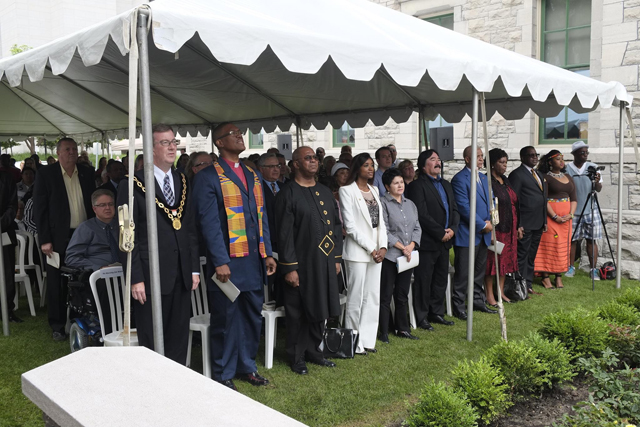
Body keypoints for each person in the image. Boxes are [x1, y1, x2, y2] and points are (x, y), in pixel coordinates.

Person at [193, 122, 276, 391]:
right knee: (226, 319)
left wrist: (268, 253)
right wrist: (219, 260)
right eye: (233, 134)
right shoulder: (208, 176)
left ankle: (247, 366)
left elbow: (261, 218)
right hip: (227, 261)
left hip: (253, 259)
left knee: (252, 315)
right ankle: (223, 371)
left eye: (240, 133)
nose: (240, 136)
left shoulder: (252, 174)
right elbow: (209, 224)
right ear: (219, 143)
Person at [117, 123, 200, 364]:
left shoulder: (182, 180)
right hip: (150, 275)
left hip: (182, 272)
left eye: (174, 142)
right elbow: (126, 235)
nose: (172, 147)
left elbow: (190, 229)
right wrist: (135, 277)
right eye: (165, 143)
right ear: (151, 149)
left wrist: (193, 267)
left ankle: (175, 385)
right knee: (152, 338)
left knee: (178, 335)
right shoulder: (131, 184)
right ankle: (154, 388)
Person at [275, 146, 343, 374]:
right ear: (295, 164)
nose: (314, 161)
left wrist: (335, 258)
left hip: (323, 261)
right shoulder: (287, 194)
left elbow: (335, 225)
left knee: (320, 307)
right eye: (308, 158)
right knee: (298, 311)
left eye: (315, 157)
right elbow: (283, 235)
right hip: (300, 263)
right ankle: (296, 356)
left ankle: (315, 351)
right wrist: (289, 267)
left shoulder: (324, 191)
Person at [33, 137, 95, 341]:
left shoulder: (86, 173)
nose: (72, 152)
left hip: (84, 235)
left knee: (83, 278)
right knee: (56, 281)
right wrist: (44, 240)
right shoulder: (46, 174)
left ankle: (82, 319)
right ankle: (57, 325)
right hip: (58, 237)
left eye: (75, 149)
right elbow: (40, 210)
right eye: (67, 149)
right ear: (58, 152)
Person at [339, 153, 387, 355]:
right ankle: (353, 341)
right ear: (357, 168)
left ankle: (367, 339)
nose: (370, 168)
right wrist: (372, 248)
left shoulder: (375, 190)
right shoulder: (346, 191)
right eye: (366, 165)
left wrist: (383, 247)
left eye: (372, 165)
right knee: (356, 298)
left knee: (372, 296)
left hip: (377, 252)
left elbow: (381, 223)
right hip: (358, 252)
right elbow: (350, 226)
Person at [406, 149, 459, 329]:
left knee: (440, 279)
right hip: (428, 242)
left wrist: (452, 229)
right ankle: (421, 317)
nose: (438, 162)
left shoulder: (446, 184)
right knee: (424, 280)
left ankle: (436, 312)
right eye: (433, 159)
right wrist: (440, 232)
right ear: (423, 165)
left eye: (439, 159)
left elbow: (455, 210)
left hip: (445, 241)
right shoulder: (416, 186)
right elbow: (421, 214)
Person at [451, 146, 496, 319]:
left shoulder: (484, 178)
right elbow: (464, 206)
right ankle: (459, 305)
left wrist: (491, 222)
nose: (480, 159)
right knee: (463, 273)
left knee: (479, 271)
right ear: (467, 159)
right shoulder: (459, 179)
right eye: (477, 156)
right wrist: (481, 225)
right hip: (468, 234)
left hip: (484, 233)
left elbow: (492, 201)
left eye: (481, 156)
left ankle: (477, 300)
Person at [379, 168, 421, 342]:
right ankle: (383, 331)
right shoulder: (383, 203)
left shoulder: (410, 204)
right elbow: (384, 230)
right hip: (390, 255)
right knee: (385, 295)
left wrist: (411, 246)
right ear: (387, 186)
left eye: (402, 182)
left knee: (402, 293)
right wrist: (401, 247)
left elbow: (417, 227)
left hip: (407, 257)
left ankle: (402, 328)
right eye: (396, 183)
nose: (400, 185)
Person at [484, 149, 522, 306]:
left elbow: (515, 202)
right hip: (497, 228)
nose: (505, 165)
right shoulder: (487, 182)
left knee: (505, 262)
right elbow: (489, 205)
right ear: (492, 164)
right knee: (493, 262)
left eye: (506, 162)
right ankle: (489, 294)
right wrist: (491, 227)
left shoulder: (505, 180)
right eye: (501, 162)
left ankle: (500, 292)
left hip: (510, 228)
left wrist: (518, 226)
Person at [534, 150, 577, 289]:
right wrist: (554, 216)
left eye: (562, 159)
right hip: (551, 218)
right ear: (550, 162)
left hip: (566, 220)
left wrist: (570, 214)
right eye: (558, 159)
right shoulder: (545, 177)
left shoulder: (568, 177)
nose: (561, 161)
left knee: (562, 247)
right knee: (549, 246)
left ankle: (558, 276)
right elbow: (544, 199)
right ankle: (545, 277)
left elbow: (574, 198)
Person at [508, 146, 547, 295]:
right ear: (522, 157)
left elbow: (543, 198)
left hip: (538, 222)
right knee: (522, 255)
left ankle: (528, 285)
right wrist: (518, 224)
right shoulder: (517, 175)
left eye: (536, 155)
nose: (534, 157)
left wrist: (544, 221)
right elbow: (514, 201)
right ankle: (519, 286)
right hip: (525, 223)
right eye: (531, 155)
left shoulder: (538, 174)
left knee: (531, 255)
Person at [566, 141, 603, 280]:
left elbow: (598, 189)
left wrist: (597, 181)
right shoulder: (566, 168)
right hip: (573, 209)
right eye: (582, 152)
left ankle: (593, 269)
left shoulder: (593, 167)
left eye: (587, 152)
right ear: (574, 154)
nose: (585, 155)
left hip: (591, 209)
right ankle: (570, 267)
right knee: (572, 240)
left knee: (591, 240)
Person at [65, 189, 120, 271]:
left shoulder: (121, 226)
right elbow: (71, 258)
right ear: (94, 209)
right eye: (102, 205)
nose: (107, 208)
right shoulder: (86, 228)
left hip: (125, 272)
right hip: (97, 276)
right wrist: (97, 267)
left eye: (111, 204)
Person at [0, 170, 19, 323]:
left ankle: (7, 310)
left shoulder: (6, 178)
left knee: (7, 274)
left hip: (4, 231)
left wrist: (1, 224)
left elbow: (12, 206)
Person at [258, 153, 282, 252]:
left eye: (278, 166)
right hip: (268, 241)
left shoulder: (286, 186)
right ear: (261, 169)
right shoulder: (257, 188)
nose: (276, 169)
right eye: (271, 166)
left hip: (285, 239)